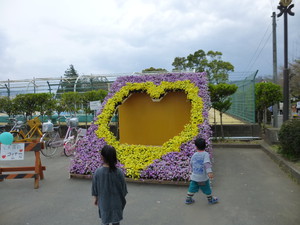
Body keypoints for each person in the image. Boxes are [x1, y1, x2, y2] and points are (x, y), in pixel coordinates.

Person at [92, 145, 128, 225]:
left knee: (105, 221)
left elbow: (95, 189)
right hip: (117, 204)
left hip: (104, 203)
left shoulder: (98, 172)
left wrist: (96, 199)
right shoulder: (119, 172)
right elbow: (124, 190)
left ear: (102, 157)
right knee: (116, 221)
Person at [185, 137, 219, 205]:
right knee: (207, 188)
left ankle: (188, 199)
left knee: (192, 188)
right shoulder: (205, 154)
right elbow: (207, 163)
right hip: (203, 178)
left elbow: (191, 163)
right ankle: (210, 199)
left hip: (194, 177)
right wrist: (209, 172)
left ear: (196, 147)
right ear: (205, 146)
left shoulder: (194, 155)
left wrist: (192, 171)